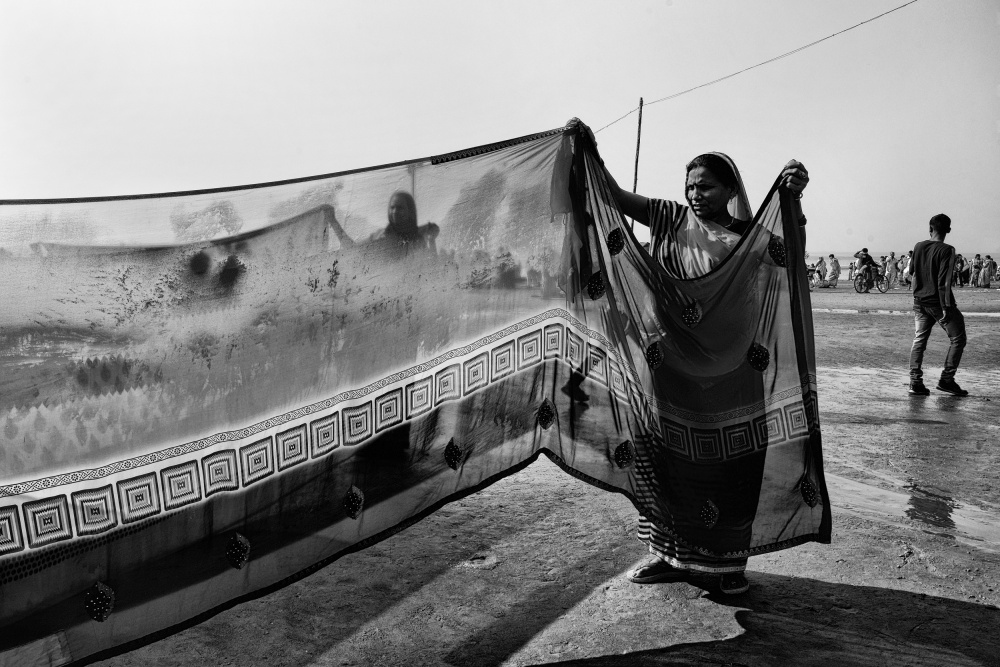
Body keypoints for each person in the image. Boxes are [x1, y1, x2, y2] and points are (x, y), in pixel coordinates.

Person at [567, 118, 810, 595]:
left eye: (707, 186)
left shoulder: (750, 236)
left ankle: (725, 567)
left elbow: (794, 257)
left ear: (730, 188)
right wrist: (589, 149)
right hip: (670, 366)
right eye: (690, 185)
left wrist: (793, 198)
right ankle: (668, 554)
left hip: (733, 372)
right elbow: (613, 197)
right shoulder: (667, 218)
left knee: (728, 466)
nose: (696, 193)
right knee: (668, 460)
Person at [907, 214, 967, 397]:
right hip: (937, 303)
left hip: (919, 302)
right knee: (958, 339)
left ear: (930, 228)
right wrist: (946, 308)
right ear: (948, 230)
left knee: (919, 341)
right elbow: (944, 282)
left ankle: (915, 382)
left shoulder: (918, 246)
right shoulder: (948, 250)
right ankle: (946, 380)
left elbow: (911, 272)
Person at [368, 191, 440, 259]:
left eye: (400, 208)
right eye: (392, 207)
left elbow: (431, 265)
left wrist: (431, 240)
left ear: (410, 211)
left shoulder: (417, 241)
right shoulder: (378, 236)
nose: (395, 211)